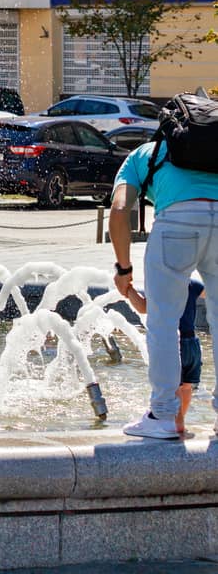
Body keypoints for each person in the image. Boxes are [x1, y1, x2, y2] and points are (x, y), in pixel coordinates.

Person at [111, 133, 218, 439]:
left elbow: (120, 211)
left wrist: (123, 269)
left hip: (176, 225)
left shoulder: (146, 153)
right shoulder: (215, 150)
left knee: (162, 321)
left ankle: (162, 415)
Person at [125, 278, 205, 433]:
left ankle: (177, 422)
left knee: (173, 385)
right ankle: (181, 421)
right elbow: (209, 294)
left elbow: (143, 307)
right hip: (192, 343)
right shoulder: (192, 284)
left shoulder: (162, 282)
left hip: (174, 342)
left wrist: (128, 290)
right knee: (187, 386)